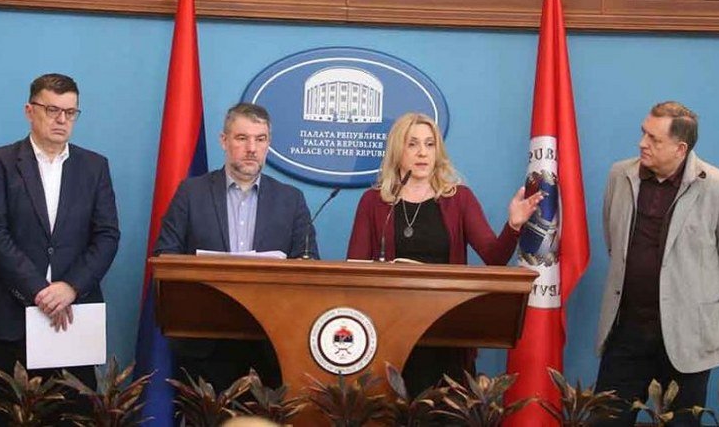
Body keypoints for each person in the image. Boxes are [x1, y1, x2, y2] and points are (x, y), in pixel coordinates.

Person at [346, 112, 542, 396]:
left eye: (430, 144)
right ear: (398, 150)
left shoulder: (459, 199)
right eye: (412, 144)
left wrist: (513, 225)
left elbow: (494, 257)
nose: (422, 152)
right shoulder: (373, 202)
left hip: (447, 328)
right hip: (392, 330)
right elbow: (354, 269)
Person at [594, 101, 719, 426]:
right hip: (626, 333)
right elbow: (616, 244)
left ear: (680, 148)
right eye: (643, 133)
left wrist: (696, 303)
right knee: (605, 420)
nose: (642, 143)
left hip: (687, 341)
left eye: (654, 139)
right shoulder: (620, 176)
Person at [0, 73, 120, 423]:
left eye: (70, 112)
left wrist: (71, 287)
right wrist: (39, 290)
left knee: (72, 416)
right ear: (30, 111)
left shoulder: (94, 166)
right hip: (9, 317)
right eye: (52, 110)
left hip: (72, 315)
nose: (61, 120)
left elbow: (107, 235)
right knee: (7, 417)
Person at [155, 102, 317, 392]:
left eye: (260, 139)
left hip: (270, 344)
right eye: (242, 138)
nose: (251, 148)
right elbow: (164, 257)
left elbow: (310, 266)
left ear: (268, 143)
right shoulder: (191, 193)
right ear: (224, 141)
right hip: (204, 344)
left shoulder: (291, 199)